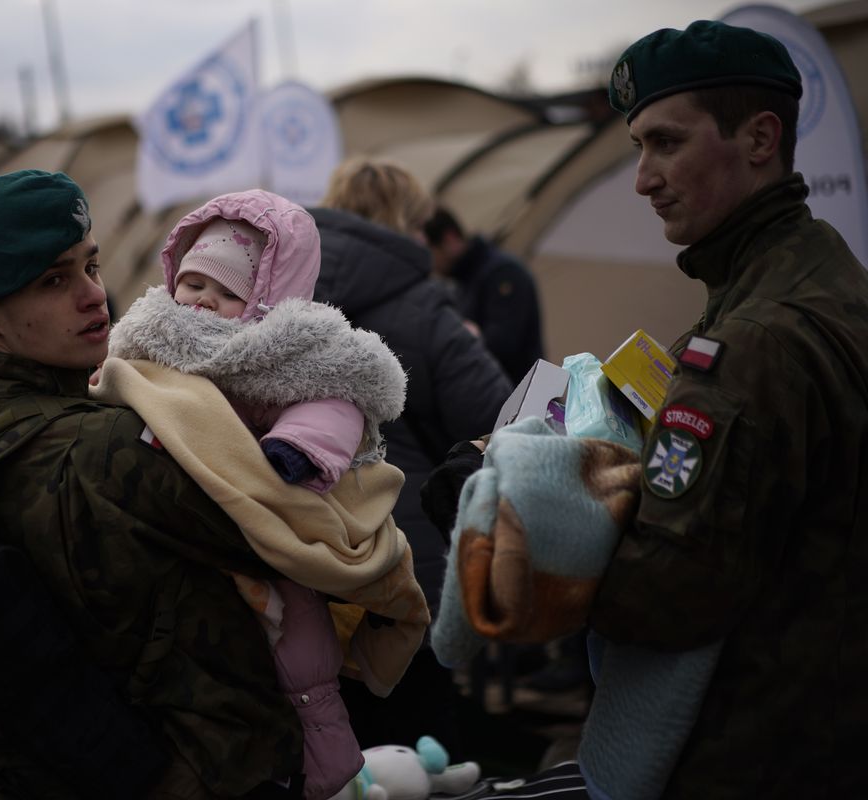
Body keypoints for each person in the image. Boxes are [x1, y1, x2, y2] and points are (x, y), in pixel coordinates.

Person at [451, 19, 868, 799]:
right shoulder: (816, 280)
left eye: (666, 143)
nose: (643, 178)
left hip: (761, 750)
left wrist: (522, 527)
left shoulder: (754, 342)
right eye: (638, 146)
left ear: (760, 138)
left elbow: (666, 593)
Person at [0, 169, 304, 798]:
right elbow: (292, 536)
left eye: (90, 267)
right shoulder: (112, 447)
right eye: (53, 281)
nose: (93, 296)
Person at [106, 189, 419, 800]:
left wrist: (297, 448)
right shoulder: (148, 340)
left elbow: (333, 404)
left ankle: (328, 749)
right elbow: (127, 390)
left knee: (302, 643)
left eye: (226, 295)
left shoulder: (295, 356)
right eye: (193, 284)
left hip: (271, 508)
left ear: (267, 302)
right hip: (190, 527)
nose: (202, 303)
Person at [309, 157, 513, 761]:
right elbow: (503, 420)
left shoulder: (288, 290)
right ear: (409, 221)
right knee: (421, 748)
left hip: (308, 556)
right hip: (404, 563)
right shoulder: (423, 307)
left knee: (338, 748)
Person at [423, 207, 544, 385]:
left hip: (524, 396)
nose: (431, 264)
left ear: (449, 239)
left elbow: (505, 343)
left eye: (431, 252)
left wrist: (469, 336)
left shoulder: (503, 273)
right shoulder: (463, 280)